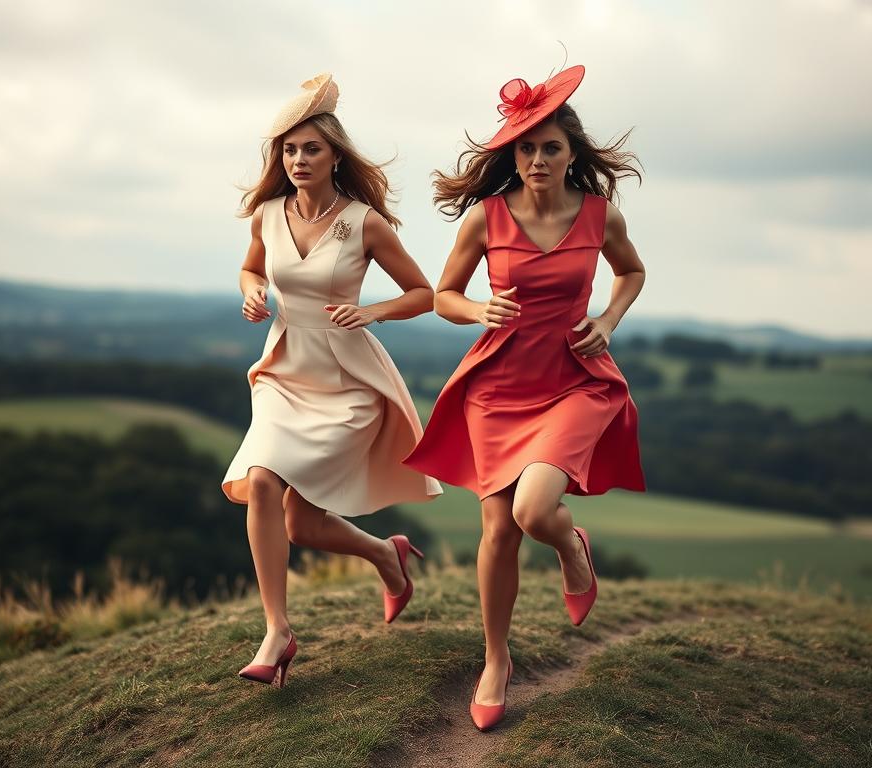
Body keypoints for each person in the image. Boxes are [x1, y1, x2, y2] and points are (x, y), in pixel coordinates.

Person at [402, 64, 647, 730]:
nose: (537, 160)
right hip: (498, 388)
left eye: (550, 148)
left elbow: (632, 274)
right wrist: (474, 307)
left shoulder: (599, 216)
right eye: (525, 148)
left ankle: (571, 547)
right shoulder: (486, 219)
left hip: (571, 381)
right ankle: (496, 659)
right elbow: (442, 296)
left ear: (573, 155)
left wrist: (609, 320)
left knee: (537, 512)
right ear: (513, 155)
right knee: (498, 529)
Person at [221, 73, 443, 688]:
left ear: (334, 155)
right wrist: (254, 291)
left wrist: (371, 311)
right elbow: (247, 269)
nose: (298, 160)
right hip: (284, 369)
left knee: (304, 525)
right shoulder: (267, 215)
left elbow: (423, 294)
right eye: (289, 150)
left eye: (311, 149)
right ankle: (277, 630)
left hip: (347, 379)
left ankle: (383, 553)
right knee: (262, 481)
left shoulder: (363, 222)